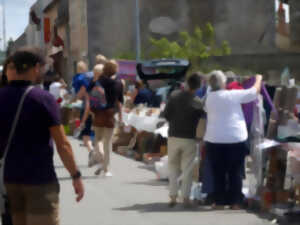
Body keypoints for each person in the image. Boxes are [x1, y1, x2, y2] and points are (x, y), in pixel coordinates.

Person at [0, 49, 84, 225]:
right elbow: (63, 144)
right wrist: (75, 175)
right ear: (35, 68)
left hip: (8, 181)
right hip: (38, 180)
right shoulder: (43, 99)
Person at [204, 70, 262, 210]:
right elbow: (254, 92)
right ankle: (235, 201)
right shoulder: (232, 95)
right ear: (223, 82)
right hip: (234, 138)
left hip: (214, 139)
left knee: (218, 172)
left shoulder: (208, 98)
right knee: (235, 171)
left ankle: (219, 201)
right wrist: (258, 79)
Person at [161, 73, 205, 208]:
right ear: (198, 87)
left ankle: (173, 196)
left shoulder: (174, 96)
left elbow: (166, 115)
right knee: (187, 169)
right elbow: (201, 120)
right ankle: (185, 197)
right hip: (189, 138)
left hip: (173, 135)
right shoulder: (198, 102)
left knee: (173, 166)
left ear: (186, 83)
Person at [89, 60, 122, 177]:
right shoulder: (118, 83)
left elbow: (90, 96)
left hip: (98, 114)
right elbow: (119, 102)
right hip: (110, 115)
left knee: (98, 139)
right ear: (115, 70)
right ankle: (106, 168)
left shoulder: (97, 81)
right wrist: (120, 116)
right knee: (108, 142)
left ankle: (101, 159)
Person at [72, 61, 95, 167]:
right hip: (98, 108)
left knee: (86, 133)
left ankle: (92, 151)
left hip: (87, 107)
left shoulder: (80, 79)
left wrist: (75, 98)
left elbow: (82, 90)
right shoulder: (91, 77)